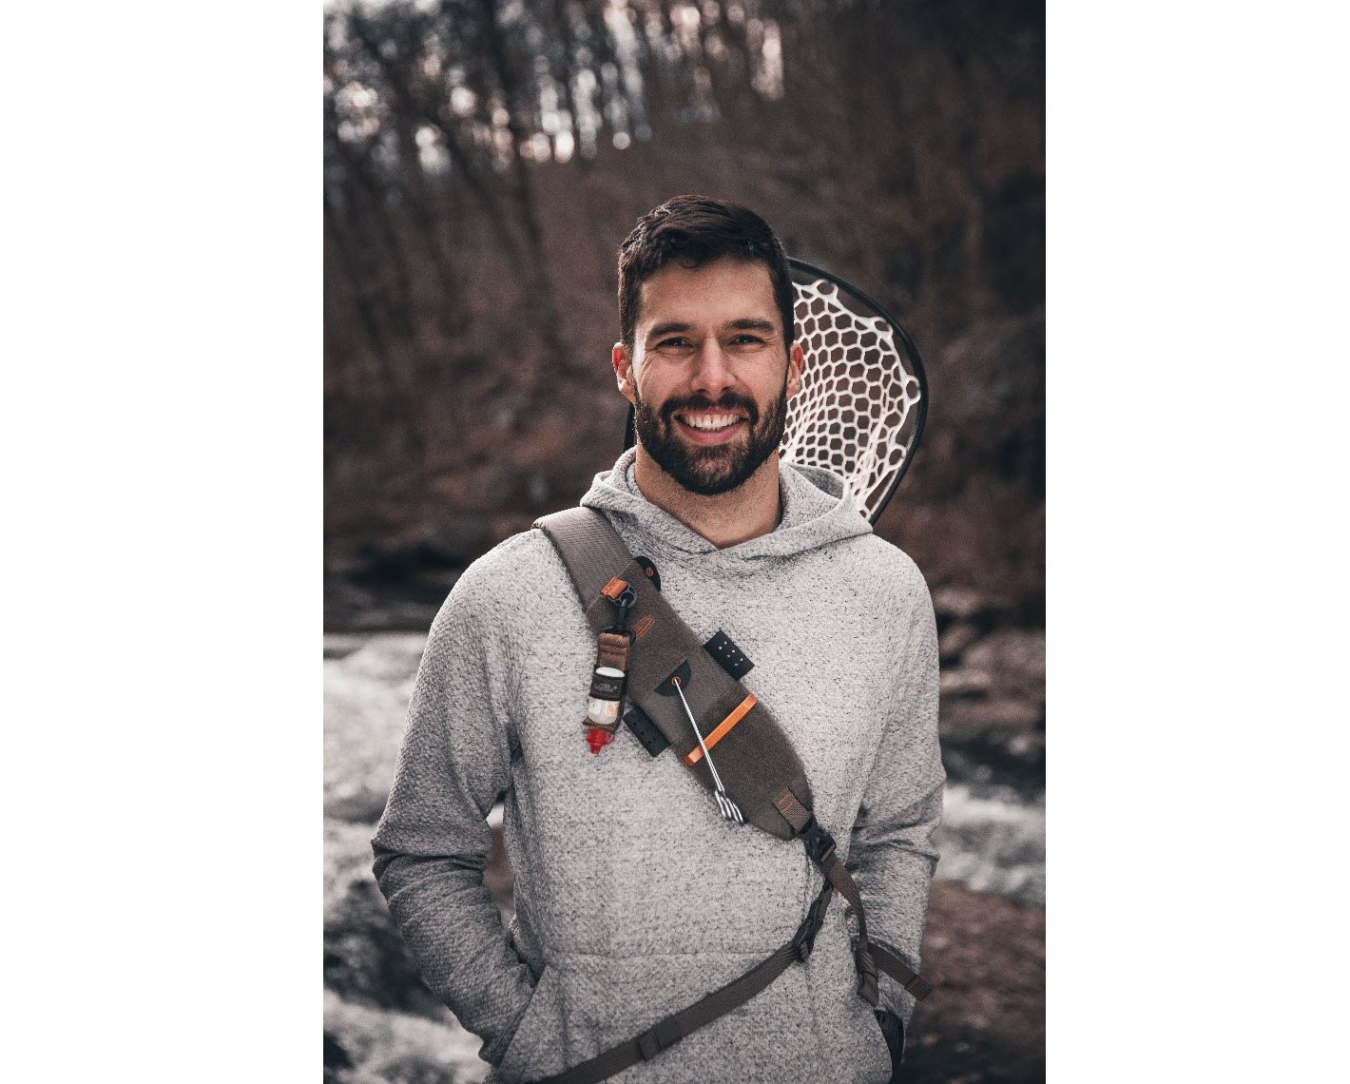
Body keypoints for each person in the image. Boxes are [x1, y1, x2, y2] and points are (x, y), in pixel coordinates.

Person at [372, 195, 944, 1084]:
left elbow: (900, 828)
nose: (712, 378)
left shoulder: (886, 592)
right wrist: (530, 1039)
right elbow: (421, 852)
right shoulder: (507, 597)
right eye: (675, 342)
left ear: (793, 364)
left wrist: (884, 1018)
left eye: (745, 340)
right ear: (624, 369)